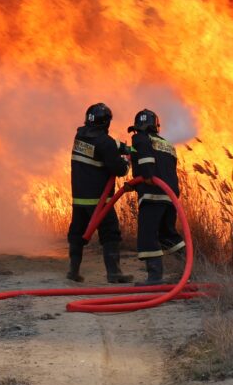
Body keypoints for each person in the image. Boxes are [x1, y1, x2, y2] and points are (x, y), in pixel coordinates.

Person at [66, 102, 133, 283]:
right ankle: (114, 273)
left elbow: (103, 144)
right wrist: (127, 160)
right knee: (110, 233)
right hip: (99, 200)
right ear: (106, 123)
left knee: (77, 233)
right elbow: (118, 169)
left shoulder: (80, 135)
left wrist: (122, 147)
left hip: (79, 198)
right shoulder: (105, 143)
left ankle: (73, 271)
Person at [127, 108, 184, 285]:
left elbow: (147, 167)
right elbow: (165, 169)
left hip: (153, 195)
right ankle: (191, 266)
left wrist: (146, 178)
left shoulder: (140, 139)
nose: (135, 133)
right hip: (170, 196)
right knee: (168, 234)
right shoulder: (168, 144)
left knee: (147, 235)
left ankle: (155, 277)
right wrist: (134, 183)